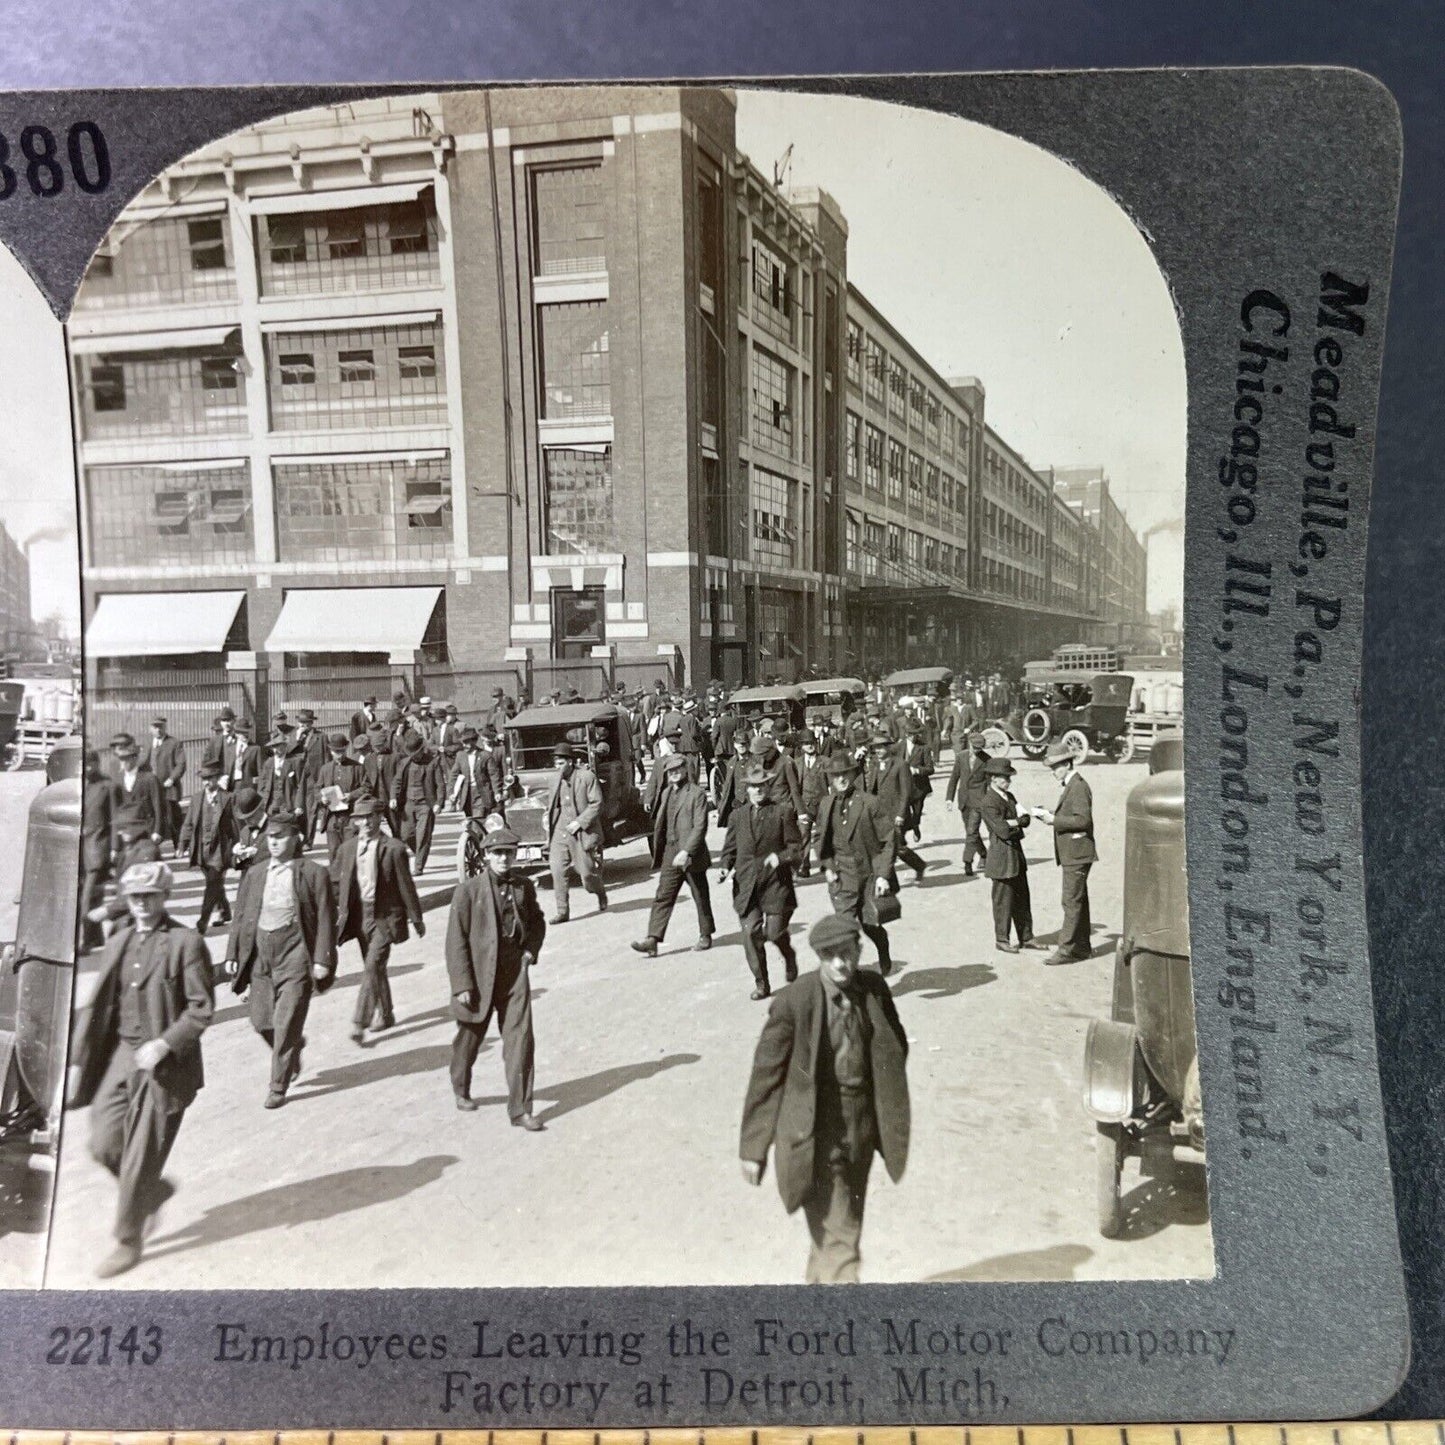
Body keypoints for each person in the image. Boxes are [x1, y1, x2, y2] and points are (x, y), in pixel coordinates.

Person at [738, 913, 910, 1284]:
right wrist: (753, 1147)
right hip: (814, 1132)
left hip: (862, 1126)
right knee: (840, 1238)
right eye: (830, 955)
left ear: (858, 950)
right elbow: (766, 1077)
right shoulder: (795, 1001)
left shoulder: (874, 989)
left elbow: (894, 1047)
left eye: (847, 953)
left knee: (842, 1228)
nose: (840, 963)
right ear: (818, 957)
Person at [67, 860, 214, 1278]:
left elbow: (202, 1009)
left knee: (139, 1154)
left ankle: (127, 1238)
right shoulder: (120, 940)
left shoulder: (186, 942)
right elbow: (98, 1005)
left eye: (150, 896)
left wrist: (165, 1043)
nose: (143, 905)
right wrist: (80, 1060)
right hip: (121, 1053)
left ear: (164, 896)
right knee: (103, 1142)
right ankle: (153, 1192)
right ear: (127, 901)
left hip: (164, 1064)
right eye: (135, 898)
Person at [222, 817, 337, 1108]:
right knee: (261, 1020)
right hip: (261, 953)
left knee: (285, 1021)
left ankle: (278, 1085)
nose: (273, 842)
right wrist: (232, 953)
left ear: (295, 838)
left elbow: (325, 918)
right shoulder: (256, 873)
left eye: (280, 836)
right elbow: (241, 915)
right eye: (270, 837)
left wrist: (322, 958)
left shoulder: (313, 873)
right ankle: (292, 1047)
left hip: (296, 952)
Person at [445, 826, 545, 1128]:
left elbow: (537, 922)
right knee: (470, 1036)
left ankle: (521, 1110)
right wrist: (462, 984)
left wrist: (530, 950)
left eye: (508, 853)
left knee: (521, 1039)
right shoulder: (468, 891)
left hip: (514, 973)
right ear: (487, 856)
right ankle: (460, 1086)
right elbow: (455, 941)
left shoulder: (523, 886)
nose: (503, 859)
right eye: (497, 853)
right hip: (477, 976)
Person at [335, 796, 425, 1041]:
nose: (364, 823)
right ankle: (386, 1014)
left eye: (368, 817)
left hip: (385, 916)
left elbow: (406, 886)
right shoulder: (347, 849)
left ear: (378, 818)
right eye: (359, 818)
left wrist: (416, 918)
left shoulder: (394, 848)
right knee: (376, 967)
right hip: (360, 916)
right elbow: (336, 883)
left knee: (372, 965)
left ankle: (359, 1021)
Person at [718, 763, 802, 999]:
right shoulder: (737, 816)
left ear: (768, 786)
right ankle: (761, 983)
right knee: (750, 934)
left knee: (774, 933)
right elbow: (729, 850)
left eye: (762, 786)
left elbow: (796, 849)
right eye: (754, 787)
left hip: (776, 883)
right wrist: (725, 867)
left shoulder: (782, 812)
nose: (758, 790)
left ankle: (788, 954)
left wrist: (782, 857)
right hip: (747, 885)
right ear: (747, 789)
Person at [813, 753, 897, 975]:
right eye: (835, 775)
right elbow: (819, 839)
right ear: (830, 778)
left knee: (871, 926)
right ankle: (851, 976)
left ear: (853, 774)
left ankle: (883, 949)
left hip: (868, 874)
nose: (840, 779)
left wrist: (882, 876)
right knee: (845, 930)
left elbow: (888, 840)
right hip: (842, 877)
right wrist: (828, 867)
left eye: (844, 774)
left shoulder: (870, 803)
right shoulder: (826, 804)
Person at [632, 752, 714, 956]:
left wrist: (687, 851)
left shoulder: (696, 794)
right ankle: (652, 939)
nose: (675, 774)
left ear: (685, 770)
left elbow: (700, 826)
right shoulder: (666, 793)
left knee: (699, 895)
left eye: (678, 770)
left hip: (690, 854)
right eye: (671, 771)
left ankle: (705, 934)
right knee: (663, 895)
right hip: (670, 851)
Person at [1029, 742, 1097, 965]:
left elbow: (1083, 820)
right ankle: (1083, 947)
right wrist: (1048, 814)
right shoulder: (1073, 784)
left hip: (1076, 853)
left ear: (1067, 764)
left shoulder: (1077, 786)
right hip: (1077, 852)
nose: (1053, 772)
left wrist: (1053, 820)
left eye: (1056, 767)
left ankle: (1066, 950)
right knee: (1079, 900)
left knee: (1070, 901)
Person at [978, 757, 1045, 954]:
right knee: (1003, 901)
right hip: (1001, 858)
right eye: (1005, 777)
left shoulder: (1010, 796)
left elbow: (1023, 821)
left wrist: (1014, 822)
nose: (1008, 781)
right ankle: (1002, 939)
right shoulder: (988, 802)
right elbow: (1003, 830)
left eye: (1008, 777)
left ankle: (1027, 937)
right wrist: (1017, 822)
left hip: (1015, 856)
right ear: (993, 778)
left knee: (1022, 898)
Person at [544, 742, 608, 923]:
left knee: (586, 874)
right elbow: (553, 806)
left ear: (570, 762)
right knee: (557, 869)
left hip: (580, 832)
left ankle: (600, 892)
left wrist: (579, 822)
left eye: (561, 763)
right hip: (559, 831)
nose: (557, 767)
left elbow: (597, 804)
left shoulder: (587, 777)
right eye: (555, 763)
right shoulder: (554, 780)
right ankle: (562, 911)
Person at [177, 759, 236, 934]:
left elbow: (236, 825)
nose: (206, 782)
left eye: (210, 778)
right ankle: (224, 911)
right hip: (201, 849)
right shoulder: (196, 799)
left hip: (219, 849)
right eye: (203, 778)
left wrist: (240, 846)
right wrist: (182, 844)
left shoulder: (227, 798)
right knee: (215, 882)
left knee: (212, 883)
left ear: (217, 778)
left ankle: (203, 920)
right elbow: (188, 824)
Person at [862, 733, 927, 885]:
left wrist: (901, 814)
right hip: (880, 814)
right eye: (875, 748)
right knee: (891, 847)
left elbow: (906, 791)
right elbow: (872, 790)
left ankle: (912, 868)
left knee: (895, 847)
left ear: (888, 747)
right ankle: (895, 877)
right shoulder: (875, 765)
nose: (877, 751)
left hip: (896, 814)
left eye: (880, 747)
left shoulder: (900, 764)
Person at [312, 732, 368, 870]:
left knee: (351, 852)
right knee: (334, 852)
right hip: (332, 818)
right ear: (331, 751)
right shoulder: (325, 769)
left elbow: (366, 787)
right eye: (336, 752)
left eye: (342, 751)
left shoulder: (357, 767)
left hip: (351, 816)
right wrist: (322, 798)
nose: (340, 754)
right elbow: (316, 789)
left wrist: (351, 795)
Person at [107, 733, 164, 861]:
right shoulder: (116, 781)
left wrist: (157, 831)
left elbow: (158, 807)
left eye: (128, 758)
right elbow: (114, 812)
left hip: (145, 833)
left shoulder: (149, 778)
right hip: (125, 834)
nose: (125, 762)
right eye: (122, 759)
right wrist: (114, 847)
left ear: (135, 758)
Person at [944, 731, 991, 875]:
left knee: (971, 831)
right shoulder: (961, 757)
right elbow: (954, 778)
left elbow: (990, 782)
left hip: (979, 801)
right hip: (964, 800)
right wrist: (949, 798)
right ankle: (983, 854)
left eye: (980, 748)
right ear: (970, 744)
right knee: (971, 832)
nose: (978, 751)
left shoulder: (987, 759)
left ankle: (967, 862)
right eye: (975, 747)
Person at [393, 731, 441, 874]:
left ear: (422, 750)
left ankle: (418, 866)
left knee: (423, 835)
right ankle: (421, 852)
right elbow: (397, 781)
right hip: (408, 804)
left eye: (417, 753)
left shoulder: (432, 762)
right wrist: (393, 797)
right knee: (406, 835)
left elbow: (440, 784)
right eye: (412, 754)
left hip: (425, 804)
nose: (415, 756)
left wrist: (439, 802)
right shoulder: (404, 763)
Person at [80, 748, 112, 952]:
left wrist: (113, 851)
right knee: (92, 897)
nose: (87, 768)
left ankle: (86, 941)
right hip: (83, 851)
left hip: (98, 849)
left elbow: (115, 821)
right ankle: (97, 937)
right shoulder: (82, 785)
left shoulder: (106, 786)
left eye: (90, 764)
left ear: (98, 764)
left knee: (86, 899)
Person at [257, 726, 309, 832]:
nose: (276, 749)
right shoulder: (269, 763)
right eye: (273, 747)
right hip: (272, 804)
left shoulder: (295, 762)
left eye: (278, 746)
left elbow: (301, 785)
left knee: (289, 830)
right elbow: (262, 784)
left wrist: (298, 805)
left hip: (288, 803)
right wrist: (265, 798)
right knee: (273, 830)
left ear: (285, 745)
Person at [145, 717, 186, 846]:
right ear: (150, 728)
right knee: (152, 819)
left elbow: (181, 764)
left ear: (165, 727)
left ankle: (179, 846)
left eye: (161, 726)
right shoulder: (147, 744)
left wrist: (172, 778)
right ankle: (153, 849)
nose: (158, 730)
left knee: (172, 819)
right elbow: (142, 763)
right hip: (152, 789)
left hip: (168, 788)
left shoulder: (174, 743)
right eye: (155, 727)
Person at [795, 730, 828, 878]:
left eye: (811, 743)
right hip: (805, 805)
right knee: (804, 835)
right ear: (801, 746)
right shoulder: (797, 763)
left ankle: (825, 863)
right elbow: (795, 787)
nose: (809, 746)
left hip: (822, 804)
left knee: (823, 835)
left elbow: (831, 785)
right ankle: (804, 865)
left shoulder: (825, 761)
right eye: (806, 744)